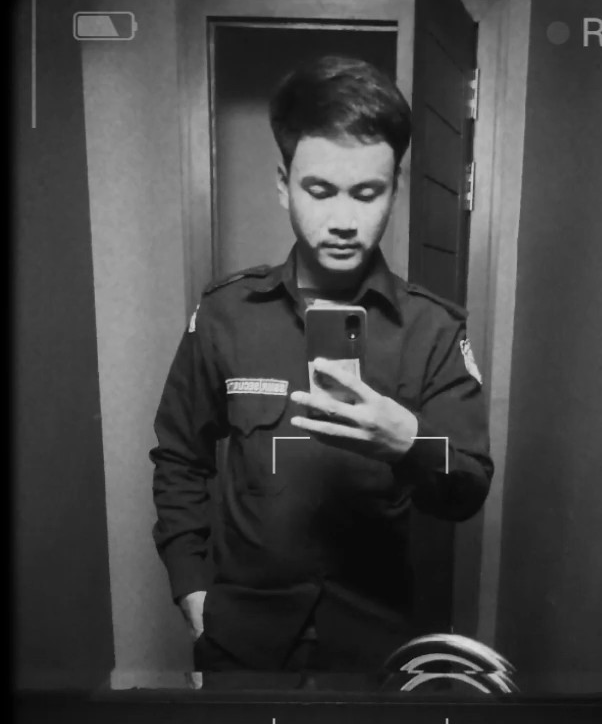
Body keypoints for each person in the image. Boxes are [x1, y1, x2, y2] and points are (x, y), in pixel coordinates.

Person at [150, 55, 494, 685]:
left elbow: (468, 485)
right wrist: (192, 589)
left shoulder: (434, 329)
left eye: (366, 193)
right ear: (284, 184)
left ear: (395, 188)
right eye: (319, 190)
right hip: (242, 637)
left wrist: (411, 442)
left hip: (374, 643)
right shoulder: (226, 314)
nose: (342, 220)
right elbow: (179, 457)